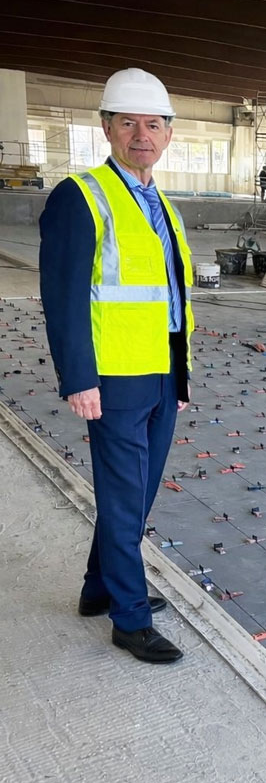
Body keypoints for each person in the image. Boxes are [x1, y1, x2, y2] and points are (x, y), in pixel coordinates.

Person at [38, 68, 193, 664]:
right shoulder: (80, 196)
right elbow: (63, 293)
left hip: (159, 374)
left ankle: (97, 589)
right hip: (115, 378)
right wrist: (78, 377)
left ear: (169, 133)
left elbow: (174, 299)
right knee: (126, 498)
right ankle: (129, 619)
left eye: (153, 124)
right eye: (128, 122)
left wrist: (179, 376)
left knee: (139, 493)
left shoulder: (163, 207)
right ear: (106, 128)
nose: (141, 134)